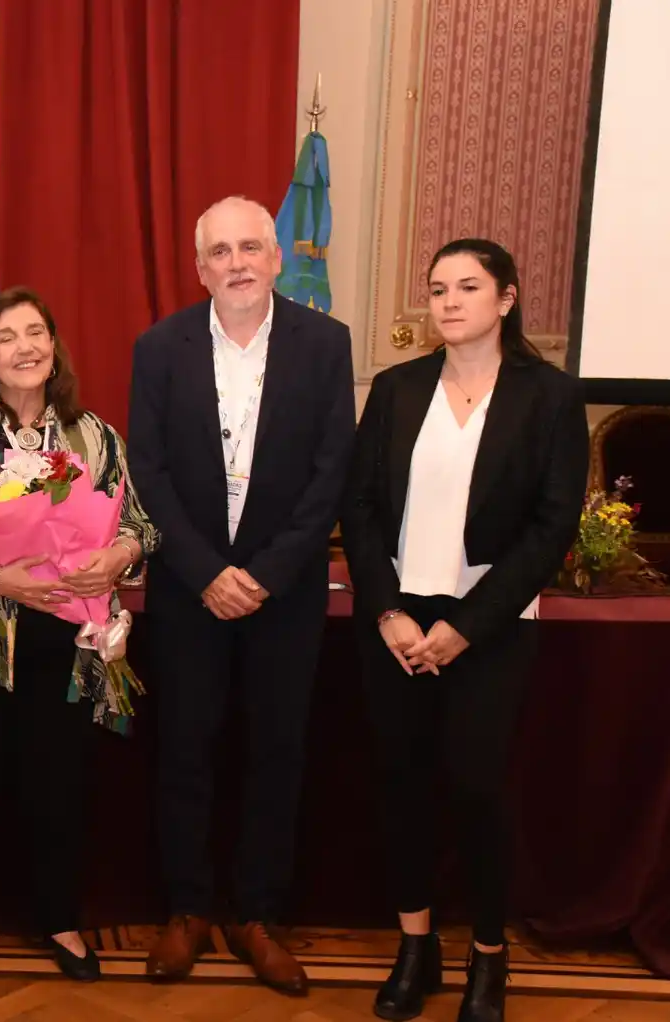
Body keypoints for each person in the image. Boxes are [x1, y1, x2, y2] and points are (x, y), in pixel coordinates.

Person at [342, 238, 587, 1022]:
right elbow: (361, 508)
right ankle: (416, 946)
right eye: (437, 288)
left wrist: (467, 629)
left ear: (507, 298)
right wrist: (388, 611)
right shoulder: (397, 386)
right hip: (397, 621)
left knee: (479, 793)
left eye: (468, 286)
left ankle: (488, 955)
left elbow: (550, 530)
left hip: (490, 624)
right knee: (402, 788)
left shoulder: (548, 396)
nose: (448, 301)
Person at [0, 286, 159, 982]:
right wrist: (8, 582)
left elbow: (136, 523)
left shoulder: (92, 433)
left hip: (65, 642)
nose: (25, 347)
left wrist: (116, 556)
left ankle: (61, 917)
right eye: (7, 336)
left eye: (36, 332)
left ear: (54, 345)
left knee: (58, 786)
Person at [127, 196, 355, 994]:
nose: (237, 263)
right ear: (200, 268)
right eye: (219, 251)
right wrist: (206, 573)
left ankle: (257, 913)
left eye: (251, 247)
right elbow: (147, 473)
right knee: (183, 752)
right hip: (190, 594)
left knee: (275, 755)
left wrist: (263, 574)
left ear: (275, 257)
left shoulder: (327, 345)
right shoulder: (159, 348)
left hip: (283, 597)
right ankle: (187, 908)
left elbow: (332, 474)